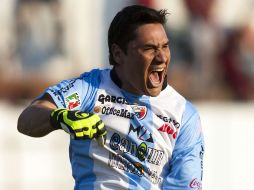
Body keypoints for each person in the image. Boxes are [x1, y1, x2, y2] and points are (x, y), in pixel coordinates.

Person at [17, 5, 204, 190]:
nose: (162, 57)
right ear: (118, 54)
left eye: (165, 46)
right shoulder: (91, 87)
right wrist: (60, 117)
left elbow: (185, 185)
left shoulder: (184, 115)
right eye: (149, 49)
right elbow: (27, 119)